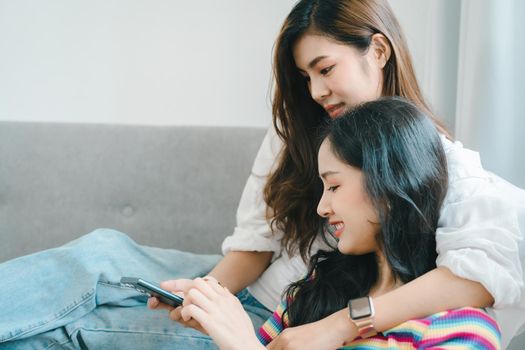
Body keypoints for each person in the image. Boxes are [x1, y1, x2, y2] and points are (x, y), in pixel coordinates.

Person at [0, 0, 522, 349]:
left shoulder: (440, 163)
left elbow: (483, 272)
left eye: (325, 68)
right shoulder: (299, 132)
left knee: (75, 329)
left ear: (378, 51)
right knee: (102, 252)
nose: (316, 91)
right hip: (265, 298)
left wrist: (338, 325)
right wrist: (206, 293)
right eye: (305, 77)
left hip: (285, 321)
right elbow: (254, 247)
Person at [176, 97, 502, 350]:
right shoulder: (314, 290)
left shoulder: (462, 331)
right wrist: (224, 328)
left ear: (387, 183)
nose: (322, 207)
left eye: (333, 186)